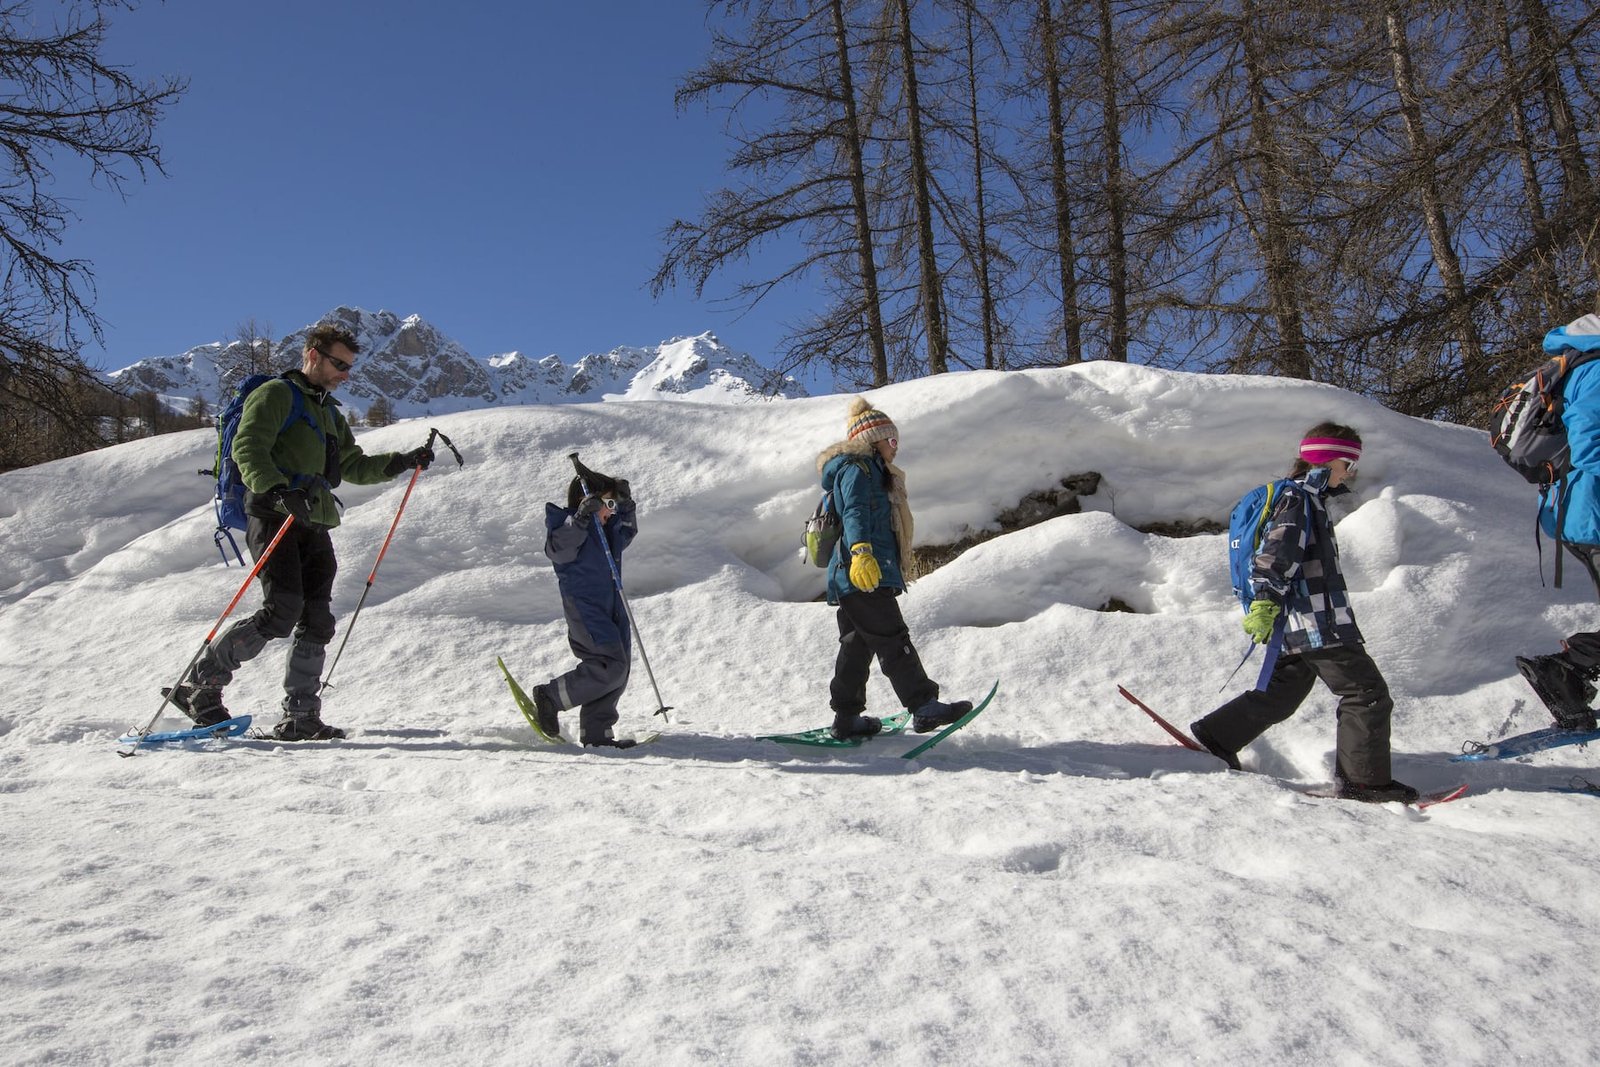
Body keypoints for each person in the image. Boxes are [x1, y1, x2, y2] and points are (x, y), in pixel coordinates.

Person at [165, 323, 434, 740]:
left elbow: (351, 466)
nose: (345, 373)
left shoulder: (328, 413)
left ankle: (301, 715)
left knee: (317, 619)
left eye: (349, 366)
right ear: (312, 354)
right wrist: (276, 489)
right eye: (338, 363)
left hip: (314, 521)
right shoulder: (276, 395)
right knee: (282, 611)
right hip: (273, 515)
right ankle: (201, 686)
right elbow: (248, 446)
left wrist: (402, 460)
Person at [1188, 424, 1418, 803]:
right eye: (1348, 462)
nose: (1351, 472)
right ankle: (1364, 781)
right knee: (1365, 693)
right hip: (1316, 622)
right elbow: (1277, 553)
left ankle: (1217, 735)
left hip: (1299, 622)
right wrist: (1264, 599)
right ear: (1327, 459)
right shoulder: (1298, 499)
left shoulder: (1307, 498)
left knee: (1280, 694)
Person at [816, 396, 971, 740]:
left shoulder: (873, 471)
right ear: (874, 440)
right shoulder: (858, 469)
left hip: (860, 572)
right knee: (892, 638)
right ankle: (924, 705)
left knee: (857, 647)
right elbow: (855, 511)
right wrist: (861, 552)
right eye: (892, 440)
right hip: (862, 571)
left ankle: (846, 719)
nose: (896, 447)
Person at [1516, 312, 1600, 732]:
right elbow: (1590, 442)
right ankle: (1565, 670)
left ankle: (1572, 667)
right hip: (1592, 514)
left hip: (1582, 513)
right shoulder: (1597, 368)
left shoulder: (1579, 367)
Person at [528, 468, 640, 748]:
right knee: (609, 666)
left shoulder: (607, 531)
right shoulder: (567, 527)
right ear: (587, 502)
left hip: (613, 608)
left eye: (614, 505)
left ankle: (597, 733)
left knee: (619, 669)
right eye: (608, 504)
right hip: (585, 610)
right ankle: (551, 696)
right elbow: (557, 550)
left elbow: (627, 532)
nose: (611, 512)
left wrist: (627, 506)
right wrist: (579, 519)